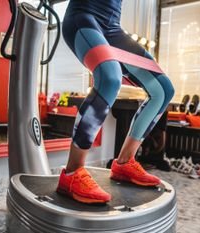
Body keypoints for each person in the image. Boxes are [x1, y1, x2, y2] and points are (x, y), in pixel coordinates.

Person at [57, 0, 175, 204]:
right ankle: (71, 173)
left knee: (163, 89)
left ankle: (124, 163)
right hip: (84, 16)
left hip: (112, 29)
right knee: (110, 78)